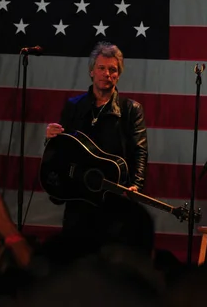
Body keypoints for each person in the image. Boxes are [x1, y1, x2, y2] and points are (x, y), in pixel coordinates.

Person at [45, 41, 151, 253]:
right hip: (78, 198)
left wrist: (136, 185)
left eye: (112, 69)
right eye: (101, 68)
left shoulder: (131, 110)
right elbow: (61, 151)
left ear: (118, 75)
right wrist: (51, 138)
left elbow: (140, 151)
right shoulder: (74, 106)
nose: (107, 74)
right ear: (91, 72)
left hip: (112, 198)